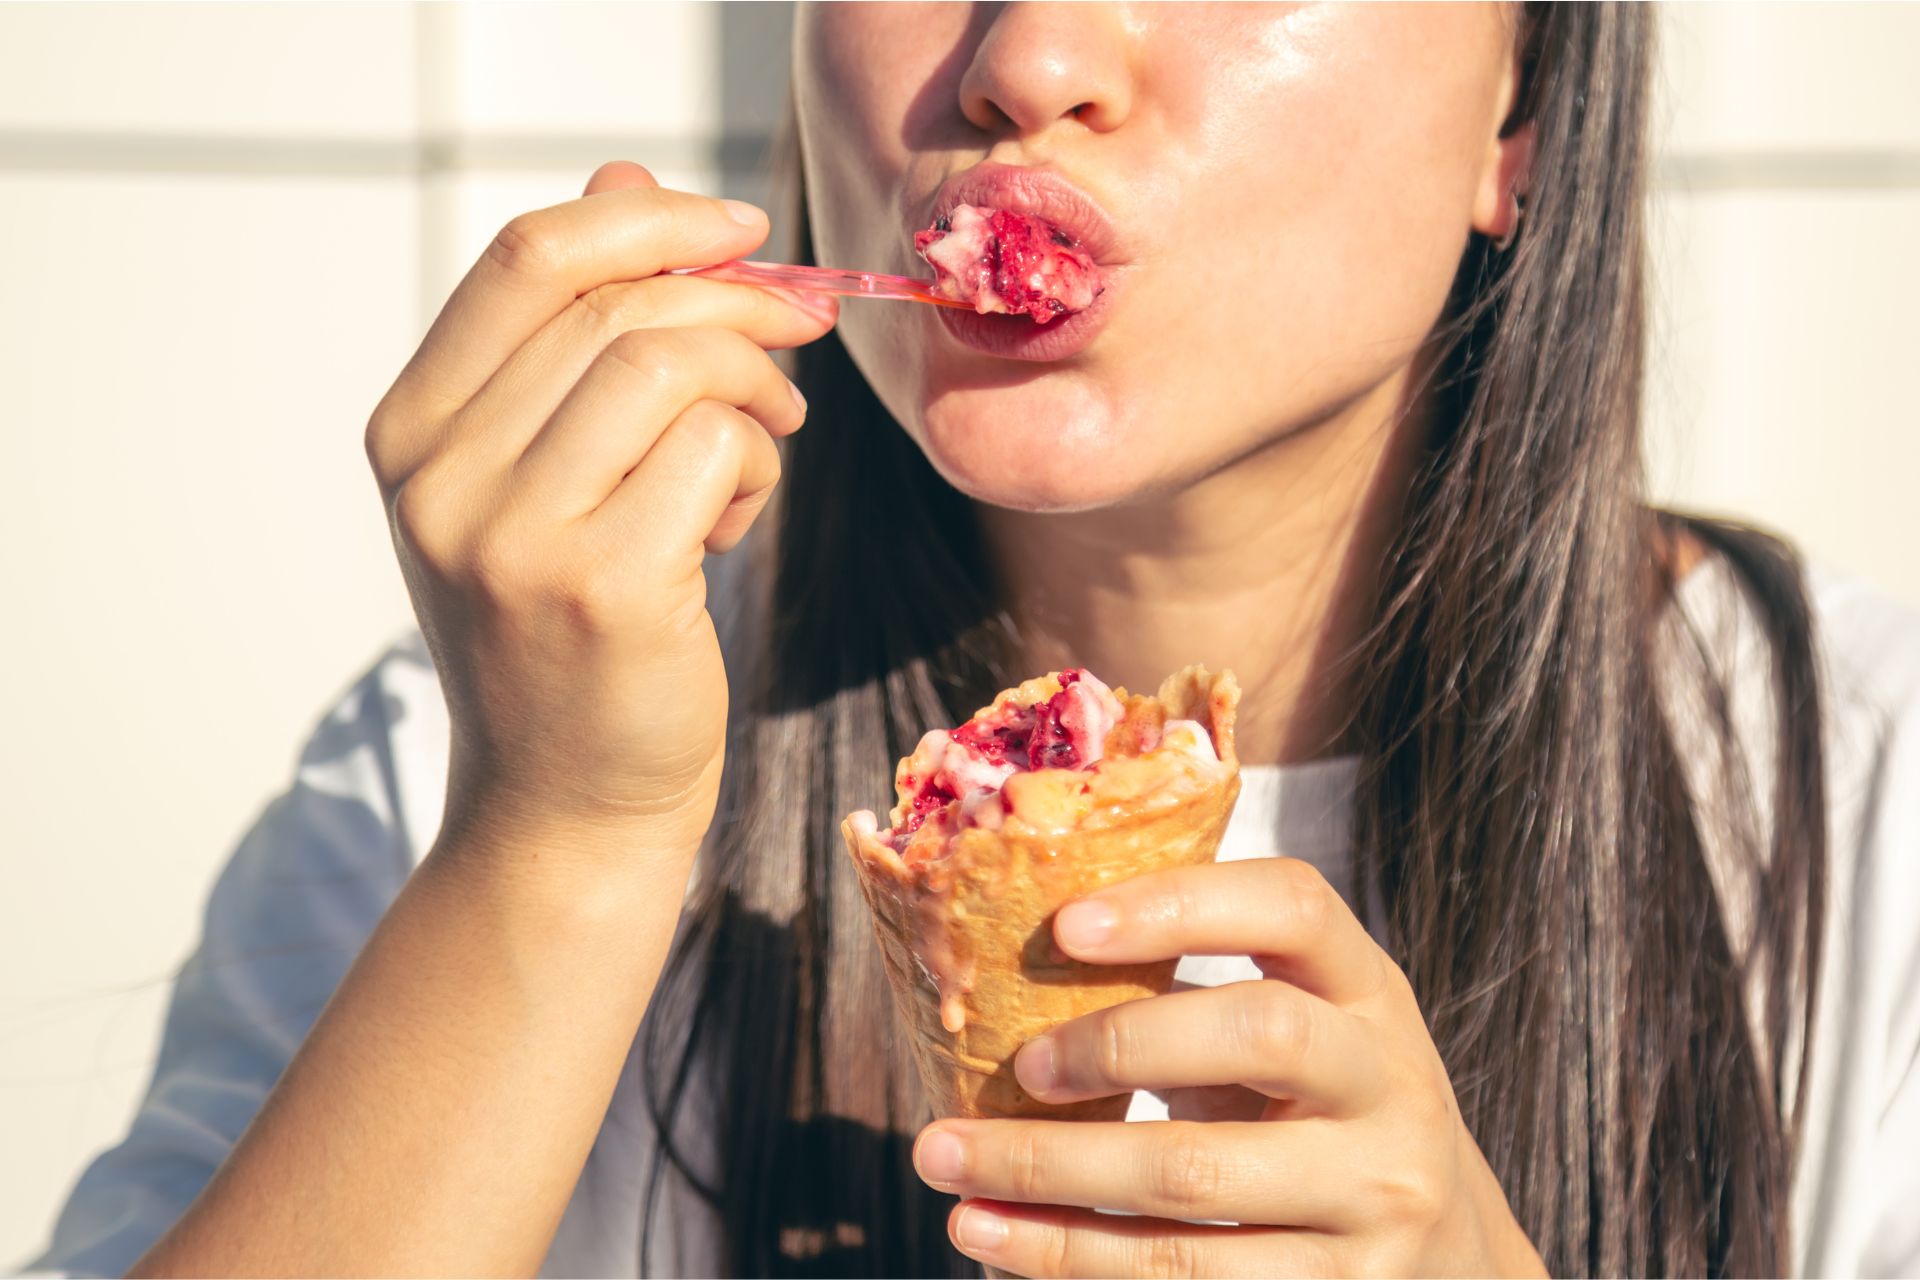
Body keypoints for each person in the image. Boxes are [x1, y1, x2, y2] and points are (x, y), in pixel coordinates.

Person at [24, 5, 1920, 1277]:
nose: (1027, 61)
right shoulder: (486, 753)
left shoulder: (1873, 805)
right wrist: (557, 848)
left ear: (1523, 112)